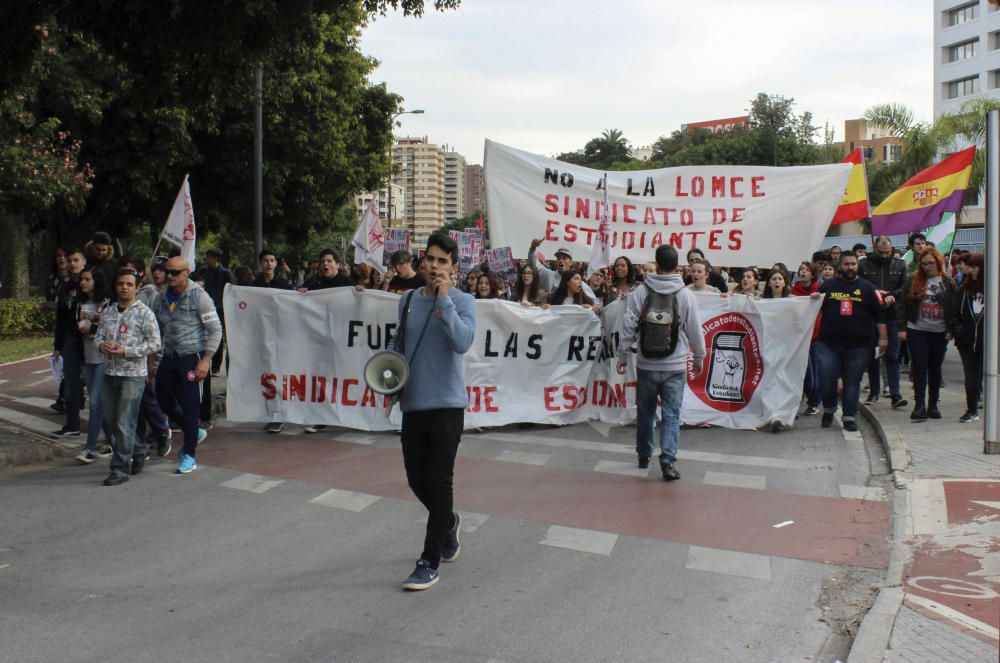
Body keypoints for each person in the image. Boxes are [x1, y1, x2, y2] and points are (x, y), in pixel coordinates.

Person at [394, 232, 476, 591]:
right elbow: (399, 343)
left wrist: (444, 302)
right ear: (422, 260)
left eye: (443, 261)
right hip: (413, 403)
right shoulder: (409, 299)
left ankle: (429, 561)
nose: (434, 266)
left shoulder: (463, 301)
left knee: (440, 481)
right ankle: (449, 522)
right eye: (430, 259)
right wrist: (387, 378)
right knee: (416, 479)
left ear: (454, 267)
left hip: (447, 406)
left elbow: (461, 341)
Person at [616, 244, 705, 478]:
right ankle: (667, 461)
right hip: (675, 366)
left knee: (645, 412)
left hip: (645, 364)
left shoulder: (640, 292)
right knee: (671, 414)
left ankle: (644, 455)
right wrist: (699, 357)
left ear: (656, 263)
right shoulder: (685, 295)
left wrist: (623, 355)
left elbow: (628, 325)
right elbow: (695, 329)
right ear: (677, 266)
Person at [150, 257, 222, 473]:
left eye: (175, 272)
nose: (170, 277)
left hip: (193, 355)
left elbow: (215, 329)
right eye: (167, 272)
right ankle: (194, 430)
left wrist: (206, 360)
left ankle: (189, 454)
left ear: (187, 272)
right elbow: (156, 331)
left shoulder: (200, 296)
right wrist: (153, 360)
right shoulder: (160, 297)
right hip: (170, 355)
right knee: (162, 399)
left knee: (191, 407)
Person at [95, 269, 162, 485]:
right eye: (121, 283)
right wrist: (102, 345)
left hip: (133, 375)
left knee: (125, 421)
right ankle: (139, 448)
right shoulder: (109, 312)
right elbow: (98, 336)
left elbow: (155, 343)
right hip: (110, 373)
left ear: (136, 287)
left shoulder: (144, 313)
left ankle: (120, 468)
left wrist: (127, 350)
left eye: (129, 284)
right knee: (111, 420)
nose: (124, 287)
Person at [812, 251, 888, 432]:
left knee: (852, 381)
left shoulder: (869, 288)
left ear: (857, 265)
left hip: (859, 345)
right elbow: (811, 308)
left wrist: (883, 338)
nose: (850, 267)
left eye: (853, 264)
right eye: (846, 264)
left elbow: (880, 314)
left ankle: (849, 416)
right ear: (840, 266)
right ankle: (829, 409)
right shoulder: (827, 287)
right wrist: (811, 299)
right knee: (827, 380)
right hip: (828, 344)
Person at [897, 248, 959, 421]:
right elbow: (902, 304)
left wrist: (951, 329)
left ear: (938, 262)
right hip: (917, 329)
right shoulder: (913, 280)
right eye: (924, 263)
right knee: (919, 366)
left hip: (939, 331)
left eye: (931, 263)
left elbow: (954, 307)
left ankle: (933, 404)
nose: (927, 266)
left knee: (935, 367)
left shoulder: (948, 282)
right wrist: (901, 328)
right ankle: (919, 404)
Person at [123, 256, 172, 458]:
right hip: (125, 359)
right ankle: (140, 447)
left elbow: (158, 331)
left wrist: (155, 360)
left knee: (148, 400)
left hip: (147, 357)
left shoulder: (151, 295)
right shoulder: (119, 298)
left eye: (131, 272)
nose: (124, 284)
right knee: (134, 405)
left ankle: (162, 430)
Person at [70, 268, 116, 463]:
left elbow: (111, 329)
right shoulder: (78, 302)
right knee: (99, 403)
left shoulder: (107, 303)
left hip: (103, 358)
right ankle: (113, 440)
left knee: (95, 402)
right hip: (86, 357)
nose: (83, 283)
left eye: (87, 279)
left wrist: (92, 328)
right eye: (81, 279)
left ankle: (89, 448)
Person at [859, 235, 909, 409]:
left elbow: (905, 287)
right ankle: (874, 392)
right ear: (874, 247)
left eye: (887, 252)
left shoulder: (900, 265)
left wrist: (892, 295)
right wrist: (874, 293)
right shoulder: (863, 264)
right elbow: (857, 286)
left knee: (893, 356)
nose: (884, 255)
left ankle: (895, 395)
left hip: (892, 316)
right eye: (881, 252)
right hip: (871, 316)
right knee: (874, 356)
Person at [50, 247, 87, 438]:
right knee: (71, 384)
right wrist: (58, 345)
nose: (72, 264)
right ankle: (72, 425)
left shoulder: (92, 283)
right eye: (70, 260)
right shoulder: (66, 286)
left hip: (89, 341)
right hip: (71, 340)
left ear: (83, 262)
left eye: (76, 260)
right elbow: (61, 317)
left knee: (95, 386)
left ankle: (106, 431)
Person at [951, 253, 985, 423]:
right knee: (971, 377)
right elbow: (953, 314)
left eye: (974, 267)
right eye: (969, 266)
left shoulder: (993, 288)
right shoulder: (964, 290)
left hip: (988, 343)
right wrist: (960, 334)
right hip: (968, 342)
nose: (970, 270)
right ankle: (972, 409)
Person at [195, 248, 233, 376]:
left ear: (215, 258)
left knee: (218, 335)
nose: (207, 259)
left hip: (221, 308)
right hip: (206, 306)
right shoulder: (204, 271)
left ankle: (216, 366)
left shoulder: (226, 273)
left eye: (209, 257)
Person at [791, 262, 821, 416]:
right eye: (801, 269)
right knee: (800, 371)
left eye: (806, 270)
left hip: (814, 337)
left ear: (812, 274)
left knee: (813, 371)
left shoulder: (819, 291)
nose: (803, 272)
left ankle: (814, 402)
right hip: (797, 337)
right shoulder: (793, 291)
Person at [526, 240, 598, 301]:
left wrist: (595, 308)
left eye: (564, 258)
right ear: (556, 262)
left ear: (570, 263)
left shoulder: (577, 281)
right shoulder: (548, 275)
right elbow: (533, 265)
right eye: (558, 258)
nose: (561, 260)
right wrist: (532, 248)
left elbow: (595, 301)